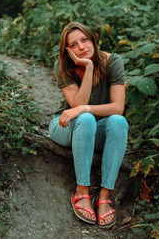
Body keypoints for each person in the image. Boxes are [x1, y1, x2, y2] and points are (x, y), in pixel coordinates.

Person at [49, 21, 129, 228]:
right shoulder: (63, 65)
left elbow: (118, 107)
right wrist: (89, 66)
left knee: (118, 122)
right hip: (67, 127)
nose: (82, 47)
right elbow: (77, 104)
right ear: (67, 50)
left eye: (84, 40)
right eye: (74, 45)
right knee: (84, 118)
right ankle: (82, 192)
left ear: (93, 39)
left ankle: (104, 196)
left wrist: (86, 109)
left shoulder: (113, 62)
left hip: (95, 130)